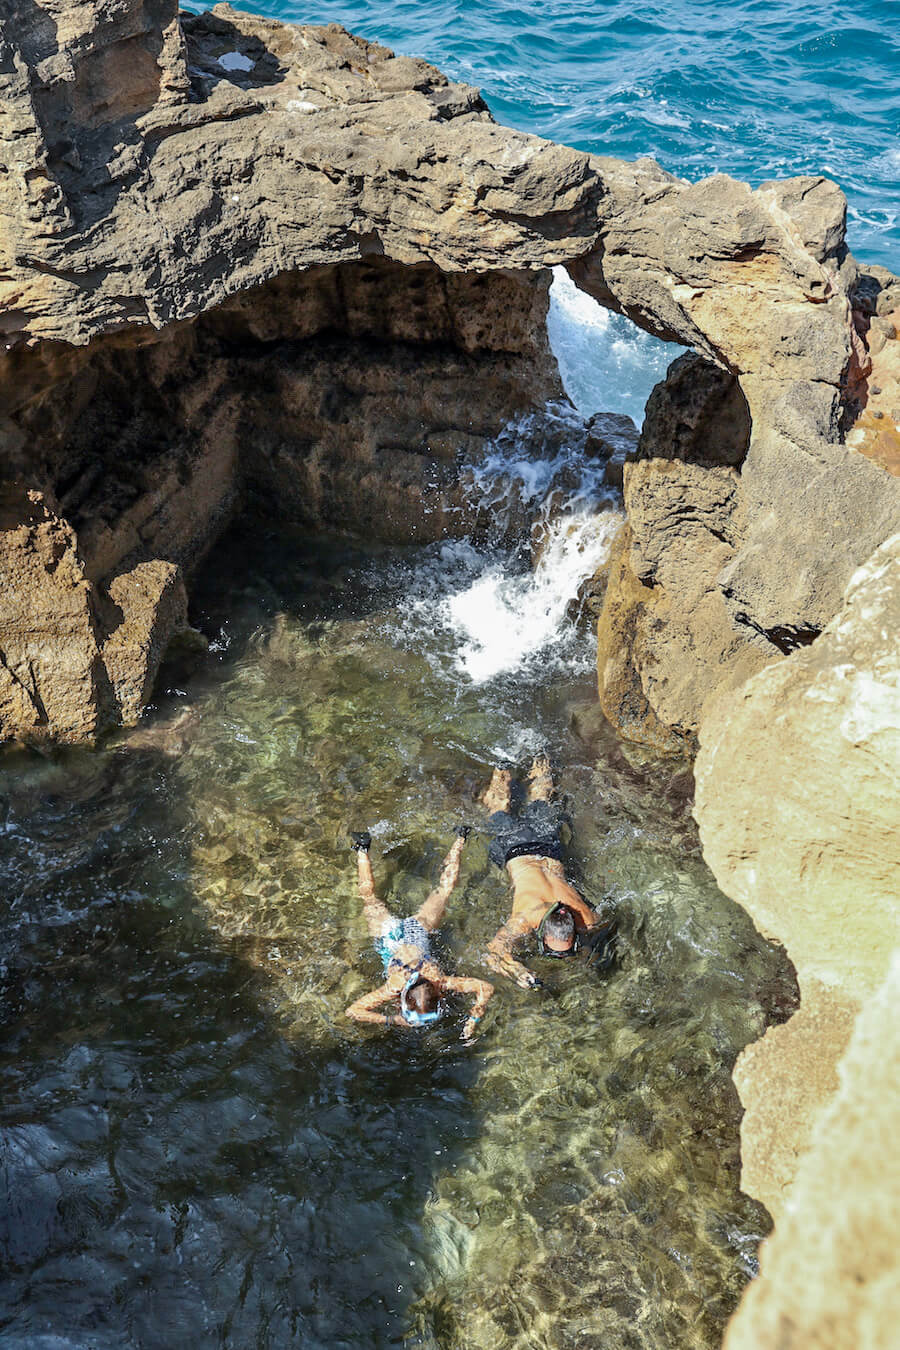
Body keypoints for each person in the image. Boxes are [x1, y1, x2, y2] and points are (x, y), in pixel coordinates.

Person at [346, 825, 494, 1041]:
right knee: (371, 897)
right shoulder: (414, 984)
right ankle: (362, 849)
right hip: (391, 935)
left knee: (442, 890)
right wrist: (474, 1018)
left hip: (412, 932)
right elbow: (353, 1012)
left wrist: (476, 1017)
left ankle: (461, 837)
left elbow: (354, 1011)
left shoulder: (432, 981)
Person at [483, 755, 613, 988]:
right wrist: (518, 972)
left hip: (548, 845)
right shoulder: (524, 919)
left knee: (542, 795)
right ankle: (504, 761)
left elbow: (495, 954)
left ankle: (529, 754)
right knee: (496, 808)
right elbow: (492, 955)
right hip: (514, 847)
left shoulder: (586, 917)